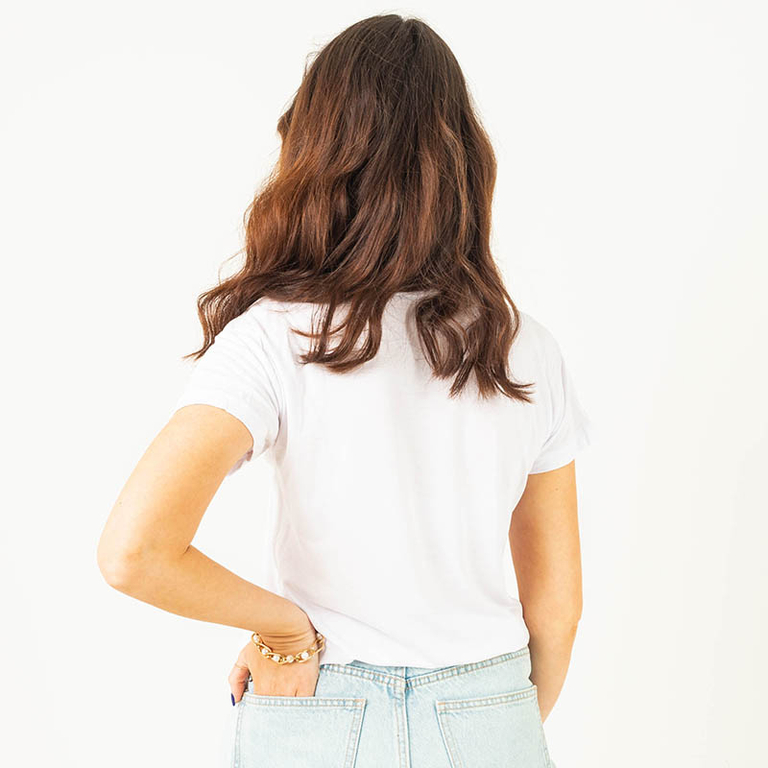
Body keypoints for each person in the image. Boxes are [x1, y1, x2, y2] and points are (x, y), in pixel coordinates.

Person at [97, 13, 592, 767]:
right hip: (488, 709)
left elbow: (135, 551)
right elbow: (556, 607)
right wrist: (503, 722)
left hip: (321, 708)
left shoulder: (276, 336)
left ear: (315, 151)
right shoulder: (522, 347)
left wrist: (286, 631)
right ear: (463, 161)